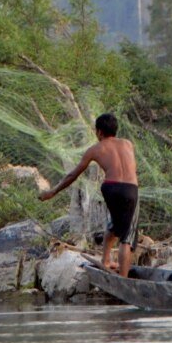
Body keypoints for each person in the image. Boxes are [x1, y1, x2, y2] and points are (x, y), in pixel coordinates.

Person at [39, 113, 139, 277]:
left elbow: (73, 175)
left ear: (99, 132)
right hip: (129, 189)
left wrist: (53, 192)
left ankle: (106, 260)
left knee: (114, 224)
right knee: (127, 236)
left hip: (110, 188)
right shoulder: (128, 144)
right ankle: (124, 278)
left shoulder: (94, 150)